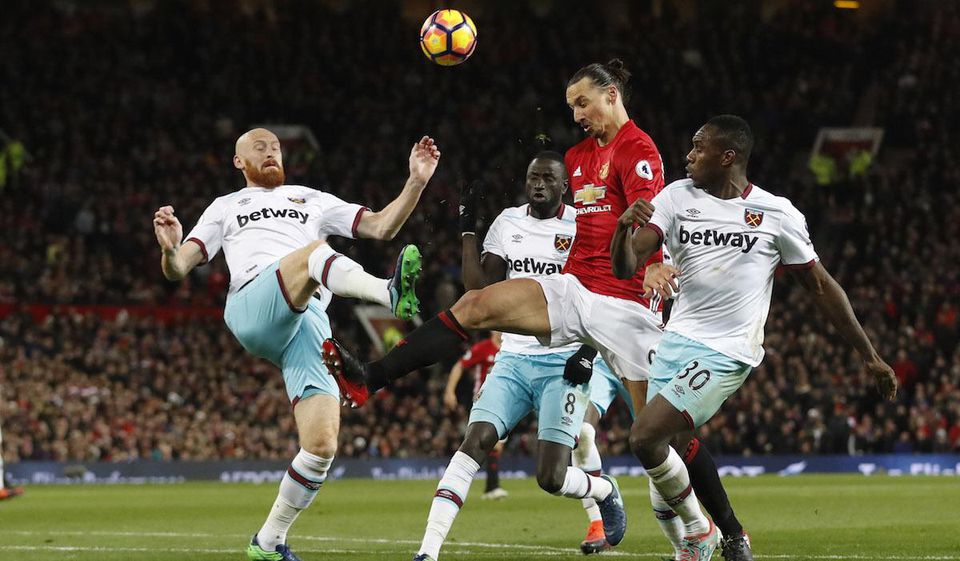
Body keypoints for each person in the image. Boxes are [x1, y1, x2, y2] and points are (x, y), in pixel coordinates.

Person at [324, 61, 747, 556]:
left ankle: (722, 530)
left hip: (628, 306)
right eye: (571, 107)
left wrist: (653, 264)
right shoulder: (577, 156)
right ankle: (369, 378)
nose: (577, 115)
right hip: (575, 289)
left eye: (583, 103)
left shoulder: (639, 149)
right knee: (475, 304)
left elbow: (647, 218)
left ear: (611, 95)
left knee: (662, 438)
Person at [612, 115, 898, 560]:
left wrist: (869, 355)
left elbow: (821, 287)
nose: (688, 155)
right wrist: (621, 229)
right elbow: (627, 266)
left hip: (727, 350)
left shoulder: (776, 213)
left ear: (727, 157)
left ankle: (699, 535)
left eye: (699, 147)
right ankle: (732, 536)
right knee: (669, 453)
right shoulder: (675, 196)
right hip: (675, 341)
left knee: (644, 437)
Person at [153, 128, 440, 561]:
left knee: (321, 447)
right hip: (253, 303)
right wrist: (170, 249)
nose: (270, 152)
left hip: (307, 321)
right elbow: (178, 269)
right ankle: (389, 292)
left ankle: (268, 542)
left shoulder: (312, 199)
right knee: (312, 254)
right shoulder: (225, 207)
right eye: (259, 148)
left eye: (276, 148)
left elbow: (382, 226)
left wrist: (416, 181)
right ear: (238, 162)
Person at [412, 151, 624, 561]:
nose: (538, 184)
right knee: (474, 443)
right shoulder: (508, 222)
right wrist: (468, 230)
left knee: (551, 477)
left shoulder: (582, 226)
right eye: (532, 177)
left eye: (548, 178)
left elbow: (600, 296)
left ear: (565, 186)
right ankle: (428, 551)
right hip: (512, 359)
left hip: (563, 362)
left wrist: (586, 351)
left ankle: (604, 489)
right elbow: (480, 293)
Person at [443, 331, 508, 500]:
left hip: (506, 401)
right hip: (484, 399)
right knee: (493, 444)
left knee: (496, 446)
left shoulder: (510, 348)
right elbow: (460, 365)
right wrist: (450, 390)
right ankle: (492, 487)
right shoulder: (482, 348)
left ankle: (490, 487)